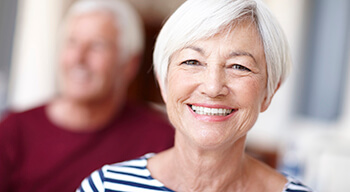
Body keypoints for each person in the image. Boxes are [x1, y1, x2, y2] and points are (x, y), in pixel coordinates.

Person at [78, 0, 314, 191]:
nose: (212, 87)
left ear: (269, 92)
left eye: (239, 66)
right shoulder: (106, 186)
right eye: (192, 61)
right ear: (164, 83)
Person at [0, 0, 175, 191]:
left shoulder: (161, 140)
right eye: (72, 42)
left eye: (96, 46)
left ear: (130, 64)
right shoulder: (13, 131)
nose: (78, 58)